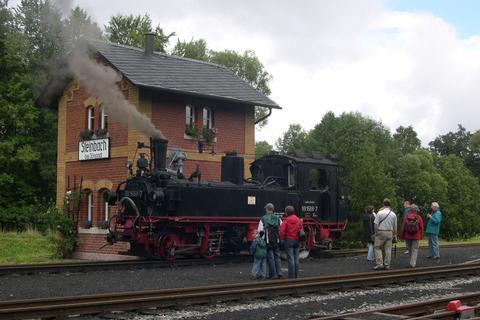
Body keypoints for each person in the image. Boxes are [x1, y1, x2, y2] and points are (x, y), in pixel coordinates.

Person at [258, 203, 283, 279]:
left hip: (268, 241)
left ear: (267, 209)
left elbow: (260, 231)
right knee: (277, 257)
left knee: (271, 258)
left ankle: (273, 274)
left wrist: (261, 241)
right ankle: (279, 272)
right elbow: (281, 228)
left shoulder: (263, 218)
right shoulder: (278, 218)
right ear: (273, 209)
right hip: (277, 240)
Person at [280, 205, 304, 278]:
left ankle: (291, 277)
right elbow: (301, 230)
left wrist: (282, 239)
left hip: (289, 240)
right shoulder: (298, 220)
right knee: (296, 259)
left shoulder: (286, 220)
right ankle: (296, 276)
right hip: (296, 241)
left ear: (287, 212)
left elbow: (281, 231)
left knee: (291, 259)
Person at [373, 198, 397, 270]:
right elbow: (395, 226)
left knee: (377, 247)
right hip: (390, 232)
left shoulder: (380, 213)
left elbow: (375, 224)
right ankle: (387, 265)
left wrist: (376, 232)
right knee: (388, 249)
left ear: (383, 204)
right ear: (390, 205)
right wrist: (394, 234)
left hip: (381, 231)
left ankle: (380, 263)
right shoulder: (393, 214)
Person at [400, 203, 424, 268]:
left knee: (410, 249)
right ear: (416, 210)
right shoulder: (419, 217)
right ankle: (413, 263)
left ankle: (411, 262)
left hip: (408, 236)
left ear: (410, 210)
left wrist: (402, 236)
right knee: (415, 249)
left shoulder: (406, 217)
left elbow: (403, 227)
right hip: (416, 236)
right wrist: (421, 236)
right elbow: (421, 227)